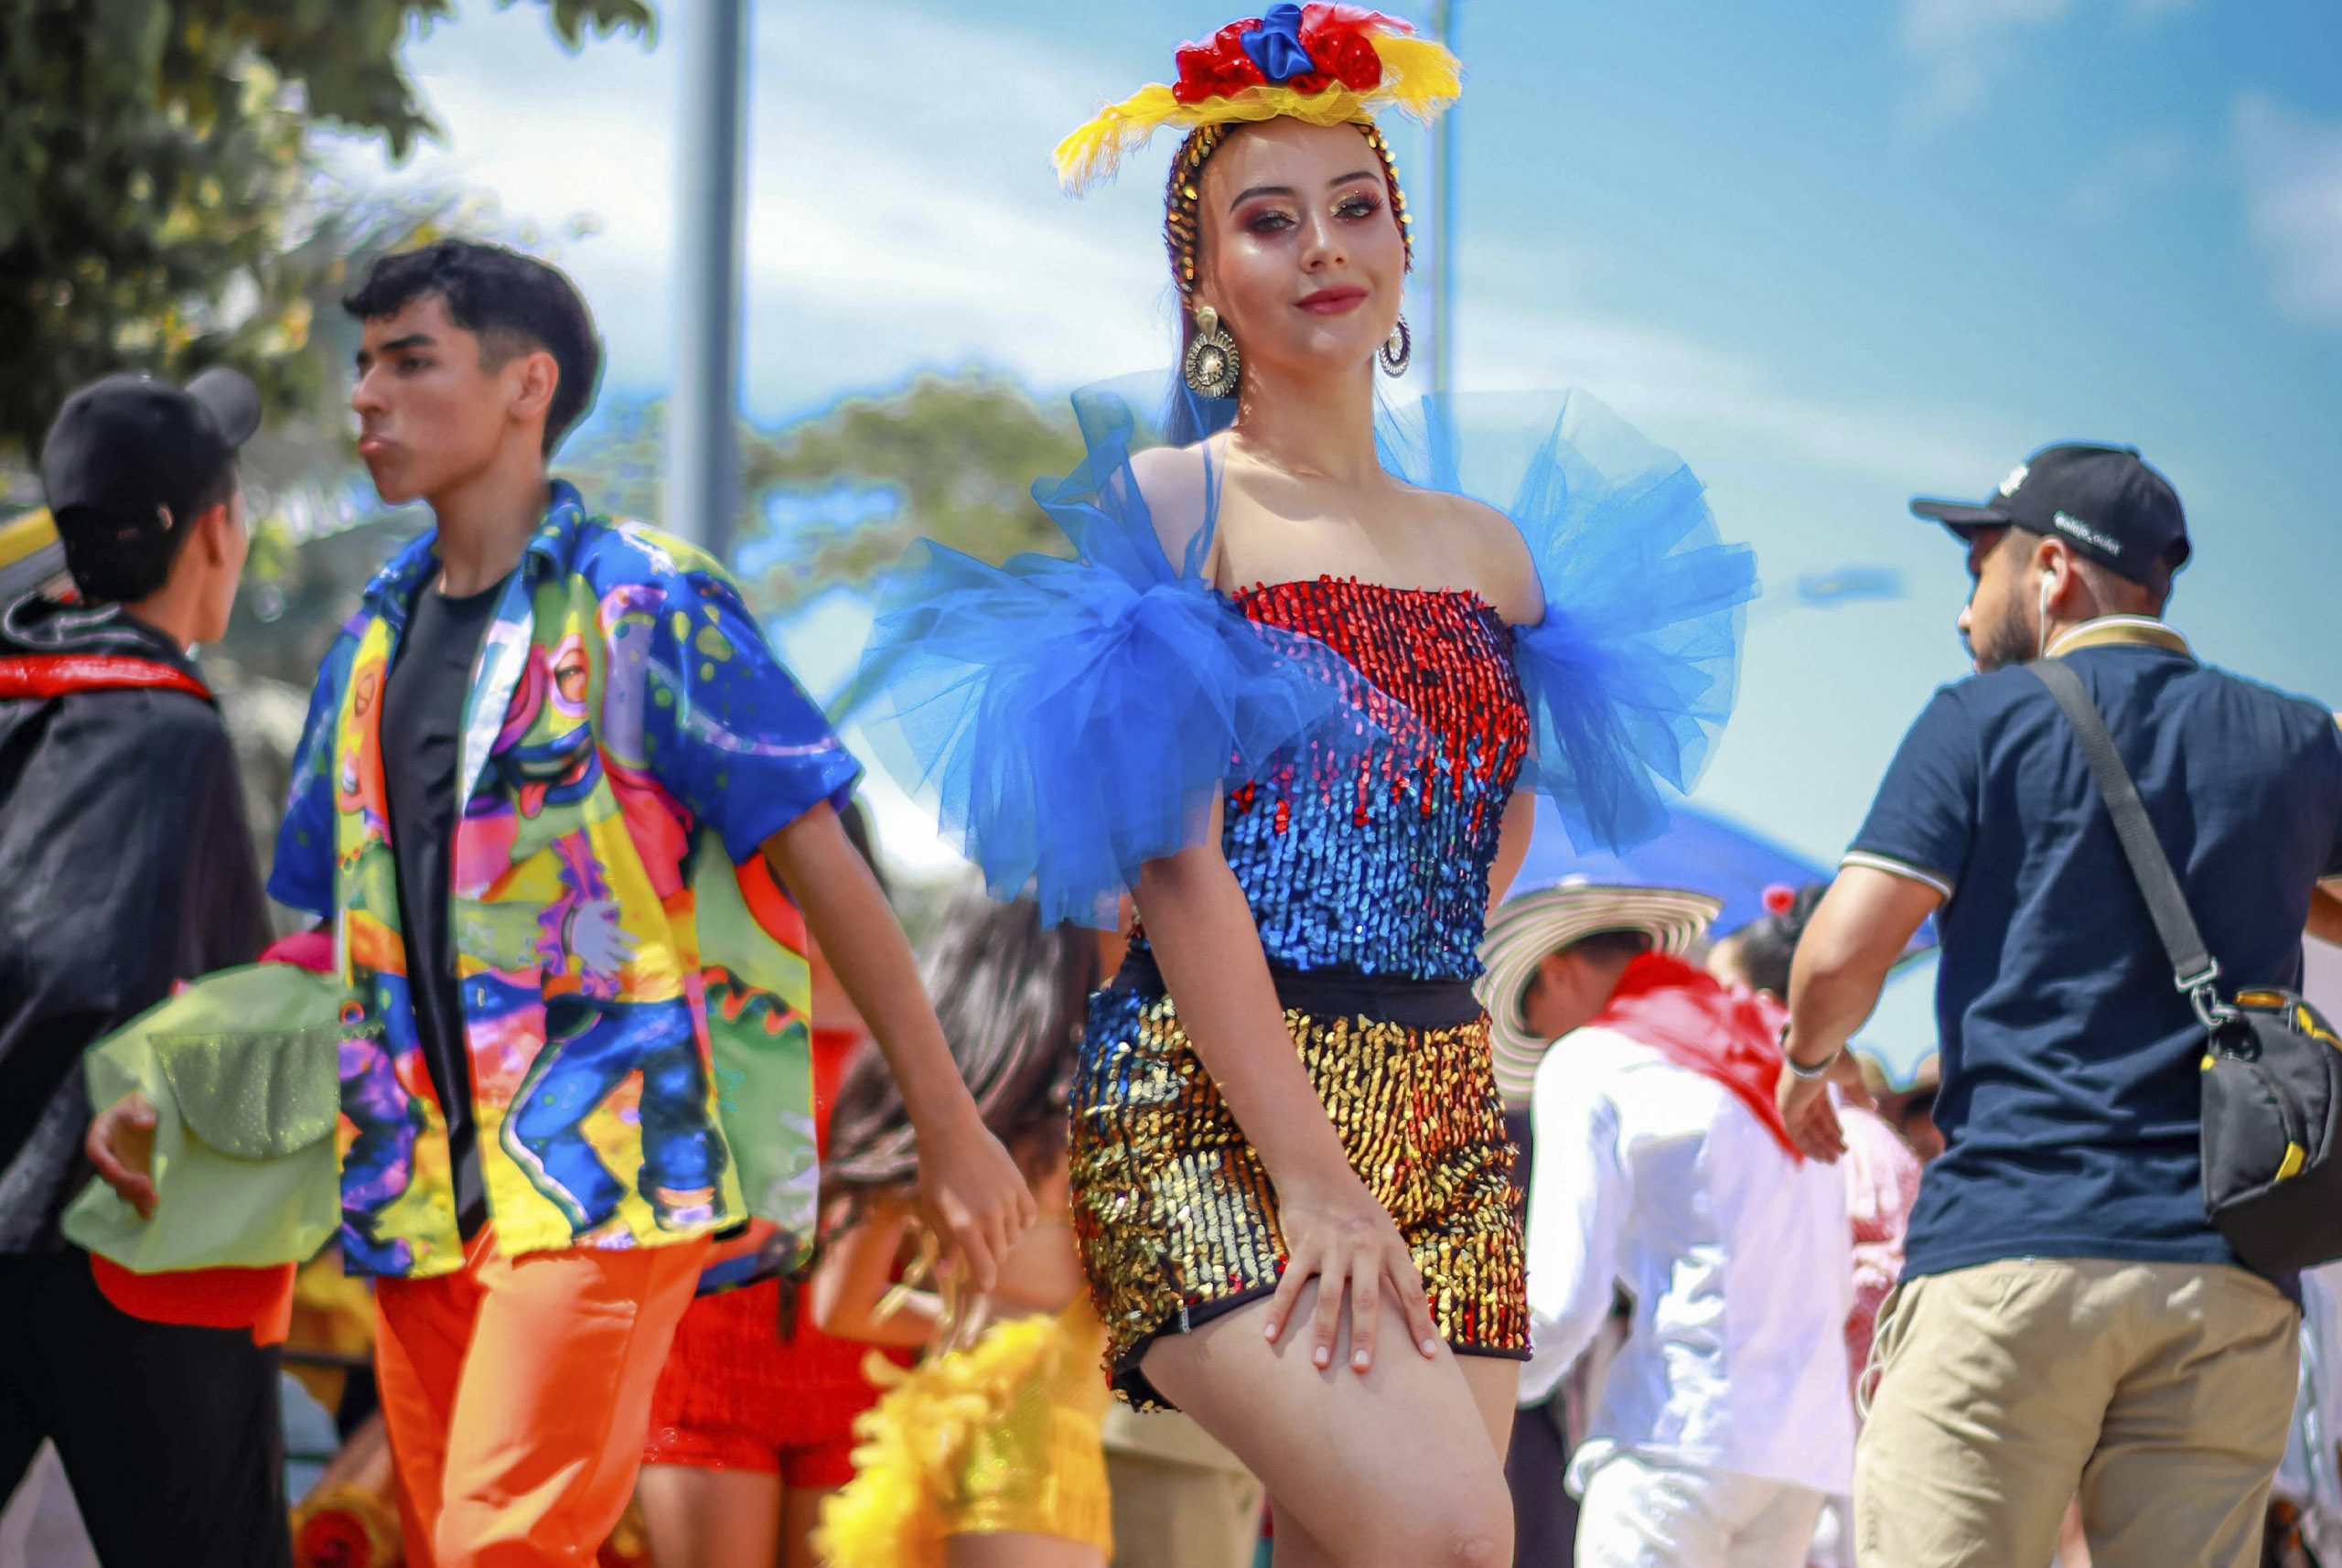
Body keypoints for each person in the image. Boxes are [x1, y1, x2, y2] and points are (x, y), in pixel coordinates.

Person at [850, 12, 1756, 1562]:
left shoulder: (1491, 551)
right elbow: (1177, 862)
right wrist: (1311, 1168)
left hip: (1441, 1105)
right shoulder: (1175, 499)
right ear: (1205, 278)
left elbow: (1506, 800)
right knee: (1460, 1537)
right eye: (1268, 220)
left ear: (1402, 242)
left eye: (1357, 205)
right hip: (1212, 1111)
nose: (1323, 245)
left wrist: (1427, 995)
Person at [242, 240, 1032, 1568]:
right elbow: (326, 936)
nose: (365, 395)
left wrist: (947, 1126)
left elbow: (825, 859)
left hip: (597, 1168)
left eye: (409, 359)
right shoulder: (366, 643)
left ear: (525, 386)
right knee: (449, 1543)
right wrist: (188, 1082)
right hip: (415, 1185)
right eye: (364, 362)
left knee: (506, 1541)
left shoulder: (648, 602)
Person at [1778, 443, 2342, 1568]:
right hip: (2225, 1278)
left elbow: (1838, 959)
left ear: (2050, 569)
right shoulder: (2294, 740)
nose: (1959, 613)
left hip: (2011, 1257)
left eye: (1976, 566)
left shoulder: (1980, 722)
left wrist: (1807, 1057)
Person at [0, 368, 292, 1565]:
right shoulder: (161, 724)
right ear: (212, 530)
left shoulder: (23, 692)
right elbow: (93, 958)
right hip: (113, 1234)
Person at [1480, 883, 1854, 1567]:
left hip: (1676, 1435)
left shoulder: (1593, 1060)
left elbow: (1562, 1304)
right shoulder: (1776, 1051)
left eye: (1536, 1021)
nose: (1545, 1040)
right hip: (1802, 1454)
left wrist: (1479, 1408)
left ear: (1559, 973)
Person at [636, 800, 904, 1568]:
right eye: (765, 879)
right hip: (705, 1378)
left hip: (860, 1387)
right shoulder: (689, 1017)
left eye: (810, 877)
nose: (787, 901)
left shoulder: (910, 1038)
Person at [811, 886, 1111, 1568]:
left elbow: (841, 1307)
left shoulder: (927, 1123)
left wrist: (984, 1325)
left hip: (947, 1447)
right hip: (1035, 1467)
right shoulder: (1081, 1118)